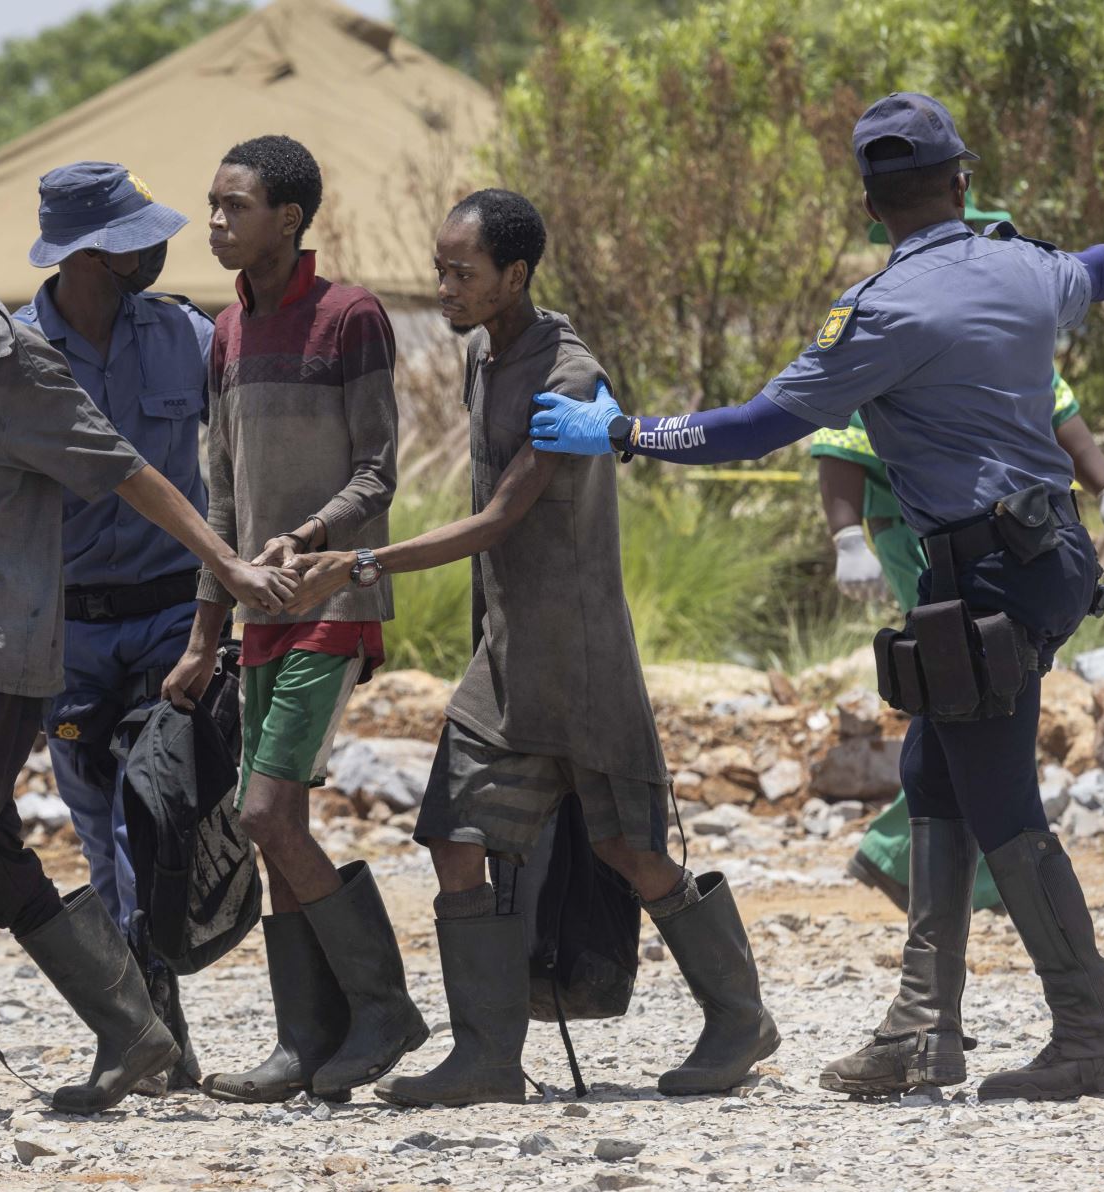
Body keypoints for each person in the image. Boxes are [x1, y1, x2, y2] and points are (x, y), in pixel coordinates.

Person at [530, 92, 1104, 1101]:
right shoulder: (1027, 266)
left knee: (1001, 799)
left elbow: (757, 428)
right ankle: (921, 1032)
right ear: (963, 182)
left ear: (871, 206)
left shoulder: (880, 312)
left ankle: (1095, 1032)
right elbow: (1099, 268)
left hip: (981, 578)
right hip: (1045, 557)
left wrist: (624, 434)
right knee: (935, 771)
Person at [0, 174, 293, 1122]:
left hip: (0, 651)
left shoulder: (10, 363)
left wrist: (229, 570)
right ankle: (134, 1030)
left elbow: (128, 470)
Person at [285, 189, 780, 1105]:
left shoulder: (570, 376)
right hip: (504, 662)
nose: (444, 288)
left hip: (582, 663)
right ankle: (487, 1058)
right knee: (452, 835)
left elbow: (500, 517)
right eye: (438, 270)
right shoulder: (482, 352)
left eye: (461, 273)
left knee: (631, 851)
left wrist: (355, 564)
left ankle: (739, 1018)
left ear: (515, 274)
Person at [160, 135, 426, 1104]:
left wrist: (309, 539)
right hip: (256, 613)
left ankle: (384, 1009)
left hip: (334, 599)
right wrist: (204, 632)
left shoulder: (351, 317)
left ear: (290, 218)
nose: (218, 222)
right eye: (213, 204)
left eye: (235, 206)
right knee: (280, 823)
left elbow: (379, 471)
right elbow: (221, 497)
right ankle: (303, 1042)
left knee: (264, 812)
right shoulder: (224, 334)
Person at [819, 195, 1104, 915]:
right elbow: (836, 446)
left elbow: (1068, 423)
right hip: (922, 541)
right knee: (971, 682)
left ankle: (914, 870)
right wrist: (846, 539)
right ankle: (960, 870)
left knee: (972, 689)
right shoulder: (894, 323)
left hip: (1015, 543)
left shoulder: (1009, 337)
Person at [12, 162, 216, 1094]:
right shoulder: (10, 352)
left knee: (154, 819)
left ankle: (154, 1026)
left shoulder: (186, 334)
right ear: (95, 252)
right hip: (71, 633)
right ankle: (145, 1028)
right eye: (138, 234)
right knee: (98, 831)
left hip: (177, 617)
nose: (159, 246)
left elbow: (256, 434)